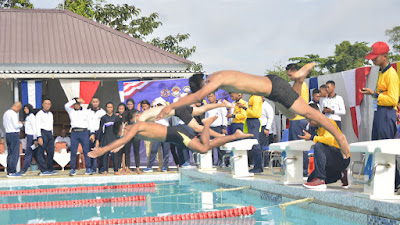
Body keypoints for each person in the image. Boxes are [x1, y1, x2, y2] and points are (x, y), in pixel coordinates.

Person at [155, 63, 351, 160]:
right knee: (291, 114)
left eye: (206, 89)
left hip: (274, 89)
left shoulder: (214, 81)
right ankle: (298, 79)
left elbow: (197, 98)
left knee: (311, 113)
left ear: (204, 83)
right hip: (272, 87)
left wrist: (171, 107)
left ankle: (340, 138)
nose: (210, 93)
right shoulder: (218, 75)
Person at [89, 114, 253, 160]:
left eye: (121, 133)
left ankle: (207, 124)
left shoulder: (137, 126)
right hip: (174, 135)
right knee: (205, 146)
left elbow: (124, 139)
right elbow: (123, 141)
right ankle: (234, 135)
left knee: (203, 148)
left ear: (124, 128)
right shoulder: (135, 129)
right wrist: (115, 146)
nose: (124, 135)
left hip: (176, 133)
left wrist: (102, 149)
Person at [360, 41, 400, 190]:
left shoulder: (391, 74)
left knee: (385, 148)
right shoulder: (381, 72)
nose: (373, 60)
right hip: (379, 113)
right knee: (377, 146)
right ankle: (390, 181)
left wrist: (374, 94)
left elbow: (393, 100)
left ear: (385, 56)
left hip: (387, 114)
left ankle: (395, 182)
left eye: (375, 58)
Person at [299, 103, 350, 189]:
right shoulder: (316, 127)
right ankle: (340, 174)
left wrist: (312, 137)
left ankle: (320, 179)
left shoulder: (329, 122)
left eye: (309, 119)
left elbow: (329, 140)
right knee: (310, 179)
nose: (308, 122)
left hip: (341, 157)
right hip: (330, 160)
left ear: (316, 114)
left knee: (318, 146)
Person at [286, 63, 310, 177]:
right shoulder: (299, 84)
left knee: (300, 146)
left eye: (290, 75)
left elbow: (294, 101)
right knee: (295, 146)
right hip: (296, 119)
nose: (289, 77)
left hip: (299, 119)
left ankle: (303, 172)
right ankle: (298, 171)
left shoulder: (300, 84)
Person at [65, 98, 92, 176]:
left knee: (86, 150)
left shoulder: (86, 111)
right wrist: (75, 100)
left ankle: (88, 168)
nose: (76, 105)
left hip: (84, 132)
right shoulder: (71, 111)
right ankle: (73, 169)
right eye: (75, 104)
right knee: (73, 151)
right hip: (74, 132)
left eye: (78, 104)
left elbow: (89, 122)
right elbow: (66, 105)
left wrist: (91, 132)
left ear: (80, 104)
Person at [144, 98, 171, 172]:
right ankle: (149, 167)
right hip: (156, 133)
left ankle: (165, 167)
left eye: (161, 105)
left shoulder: (168, 112)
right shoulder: (154, 112)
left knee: (166, 151)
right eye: (158, 105)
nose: (159, 106)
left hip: (166, 133)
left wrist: (165, 105)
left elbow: (171, 110)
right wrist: (152, 105)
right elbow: (149, 112)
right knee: (153, 150)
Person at [19, 104, 47, 176]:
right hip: (29, 136)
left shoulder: (31, 117)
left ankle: (23, 170)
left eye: (26, 108)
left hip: (32, 137)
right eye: (24, 108)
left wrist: (35, 139)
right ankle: (43, 169)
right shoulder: (28, 117)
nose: (25, 110)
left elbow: (34, 128)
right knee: (35, 154)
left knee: (28, 153)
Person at [98, 102, 121, 175]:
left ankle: (116, 170)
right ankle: (105, 170)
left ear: (113, 108)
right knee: (105, 155)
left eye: (111, 107)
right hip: (106, 138)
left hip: (114, 138)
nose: (109, 109)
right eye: (108, 107)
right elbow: (100, 129)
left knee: (115, 155)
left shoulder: (116, 118)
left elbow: (119, 129)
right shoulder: (103, 118)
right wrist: (98, 140)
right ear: (106, 108)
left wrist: (119, 139)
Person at [205, 92, 228, 166]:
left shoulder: (220, 105)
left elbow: (224, 116)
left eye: (211, 96)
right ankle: (210, 162)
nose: (209, 98)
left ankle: (223, 161)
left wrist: (224, 127)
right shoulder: (207, 106)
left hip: (219, 127)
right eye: (208, 97)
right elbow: (206, 118)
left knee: (220, 145)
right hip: (210, 128)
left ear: (215, 96)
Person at [35, 98, 57, 175]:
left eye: (49, 104)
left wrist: (52, 135)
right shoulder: (39, 114)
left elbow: (51, 126)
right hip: (42, 132)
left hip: (49, 133)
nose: (47, 105)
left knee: (51, 152)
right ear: (42, 104)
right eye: (46, 103)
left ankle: (51, 168)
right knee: (41, 152)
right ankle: (43, 169)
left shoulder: (51, 114)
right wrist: (39, 137)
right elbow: (37, 126)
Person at [121, 98, 141, 174]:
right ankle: (127, 168)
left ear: (133, 104)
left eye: (131, 104)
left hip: (136, 134)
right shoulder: (125, 113)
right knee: (127, 151)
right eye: (128, 104)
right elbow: (124, 123)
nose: (129, 106)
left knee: (136, 151)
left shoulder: (137, 112)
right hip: (128, 134)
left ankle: (138, 168)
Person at [3, 102, 23, 177]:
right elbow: (16, 125)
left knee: (10, 153)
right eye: (19, 109)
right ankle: (12, 171)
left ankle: (9, 171)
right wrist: (20, 124)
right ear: (17, 107)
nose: (18, 111)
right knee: (15, 153)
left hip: (8, 134)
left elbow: (5, 124)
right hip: (14, 134)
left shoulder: (6, 113)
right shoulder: (13, 114)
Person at [87, 97, 106, 174]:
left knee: (100, 150)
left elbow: (104, 124)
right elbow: (87, 122)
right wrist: (91, 133)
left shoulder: (102, 112)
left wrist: (102, 134)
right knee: (91, 150)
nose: (95, 103)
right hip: (90, 132)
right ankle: (92, 168)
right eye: (93, 102)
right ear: (91, 102)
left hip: (100, 132)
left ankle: (101, 167)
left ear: (99, 102)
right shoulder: (88, 112)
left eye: (96, 102)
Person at [260, 97, 274, 167]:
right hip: (257, 126)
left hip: (264, 126)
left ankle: (265, 163)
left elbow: (270, 118)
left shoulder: (267, 106)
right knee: (258, 145)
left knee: (264, 145)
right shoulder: (256, 105)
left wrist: (267, 128)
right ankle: (259, 162)